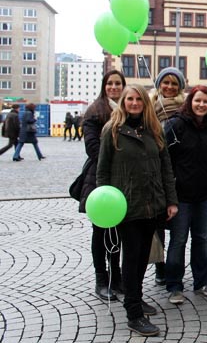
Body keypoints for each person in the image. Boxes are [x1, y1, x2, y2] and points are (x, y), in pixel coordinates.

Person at [97, 84, 178, 337]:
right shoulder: (112, 131)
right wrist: (105, 205)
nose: (134, 103)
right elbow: (102, 172)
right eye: (129, 99)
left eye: (138, 99)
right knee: (131, 259)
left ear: (145, 103)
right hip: (127, 207)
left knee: (143, 257)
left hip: (152, 205)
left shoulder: (154, 131)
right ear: (123, 102)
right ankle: (134, 313)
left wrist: (171, 201)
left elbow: (166, 168)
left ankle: (136, 296)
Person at [164, 86, 207, 304]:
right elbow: (165, 160)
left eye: (206, 102)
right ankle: (174, 285)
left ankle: (202, 281)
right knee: (178, 240)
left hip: (205, 194)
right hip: (181, 196)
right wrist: (170, 192)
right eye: (198, 101)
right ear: (190, 102)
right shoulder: (175, 124)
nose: (201, 105)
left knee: (201, 239)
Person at [81, 70, 126, 301]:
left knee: (117, 233)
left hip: (124, 180)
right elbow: (92, 148)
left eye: (118, 83)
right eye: (110, 83)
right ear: (104, 86)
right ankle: (101, 279)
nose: (114, 87)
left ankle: (116, 277)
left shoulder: (130, 108)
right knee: (101, 231)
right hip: (100, 178)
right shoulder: (95, 111)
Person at [151, 66, 186, 285]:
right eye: (166, 82)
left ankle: (175, 267)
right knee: (158, 222)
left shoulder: (185, 109)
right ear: (159, 85)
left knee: (178, 225)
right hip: (156, 173)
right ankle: (160, 266)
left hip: (179, 173)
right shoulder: (149, 109)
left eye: (174, 84)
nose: (170, 87)